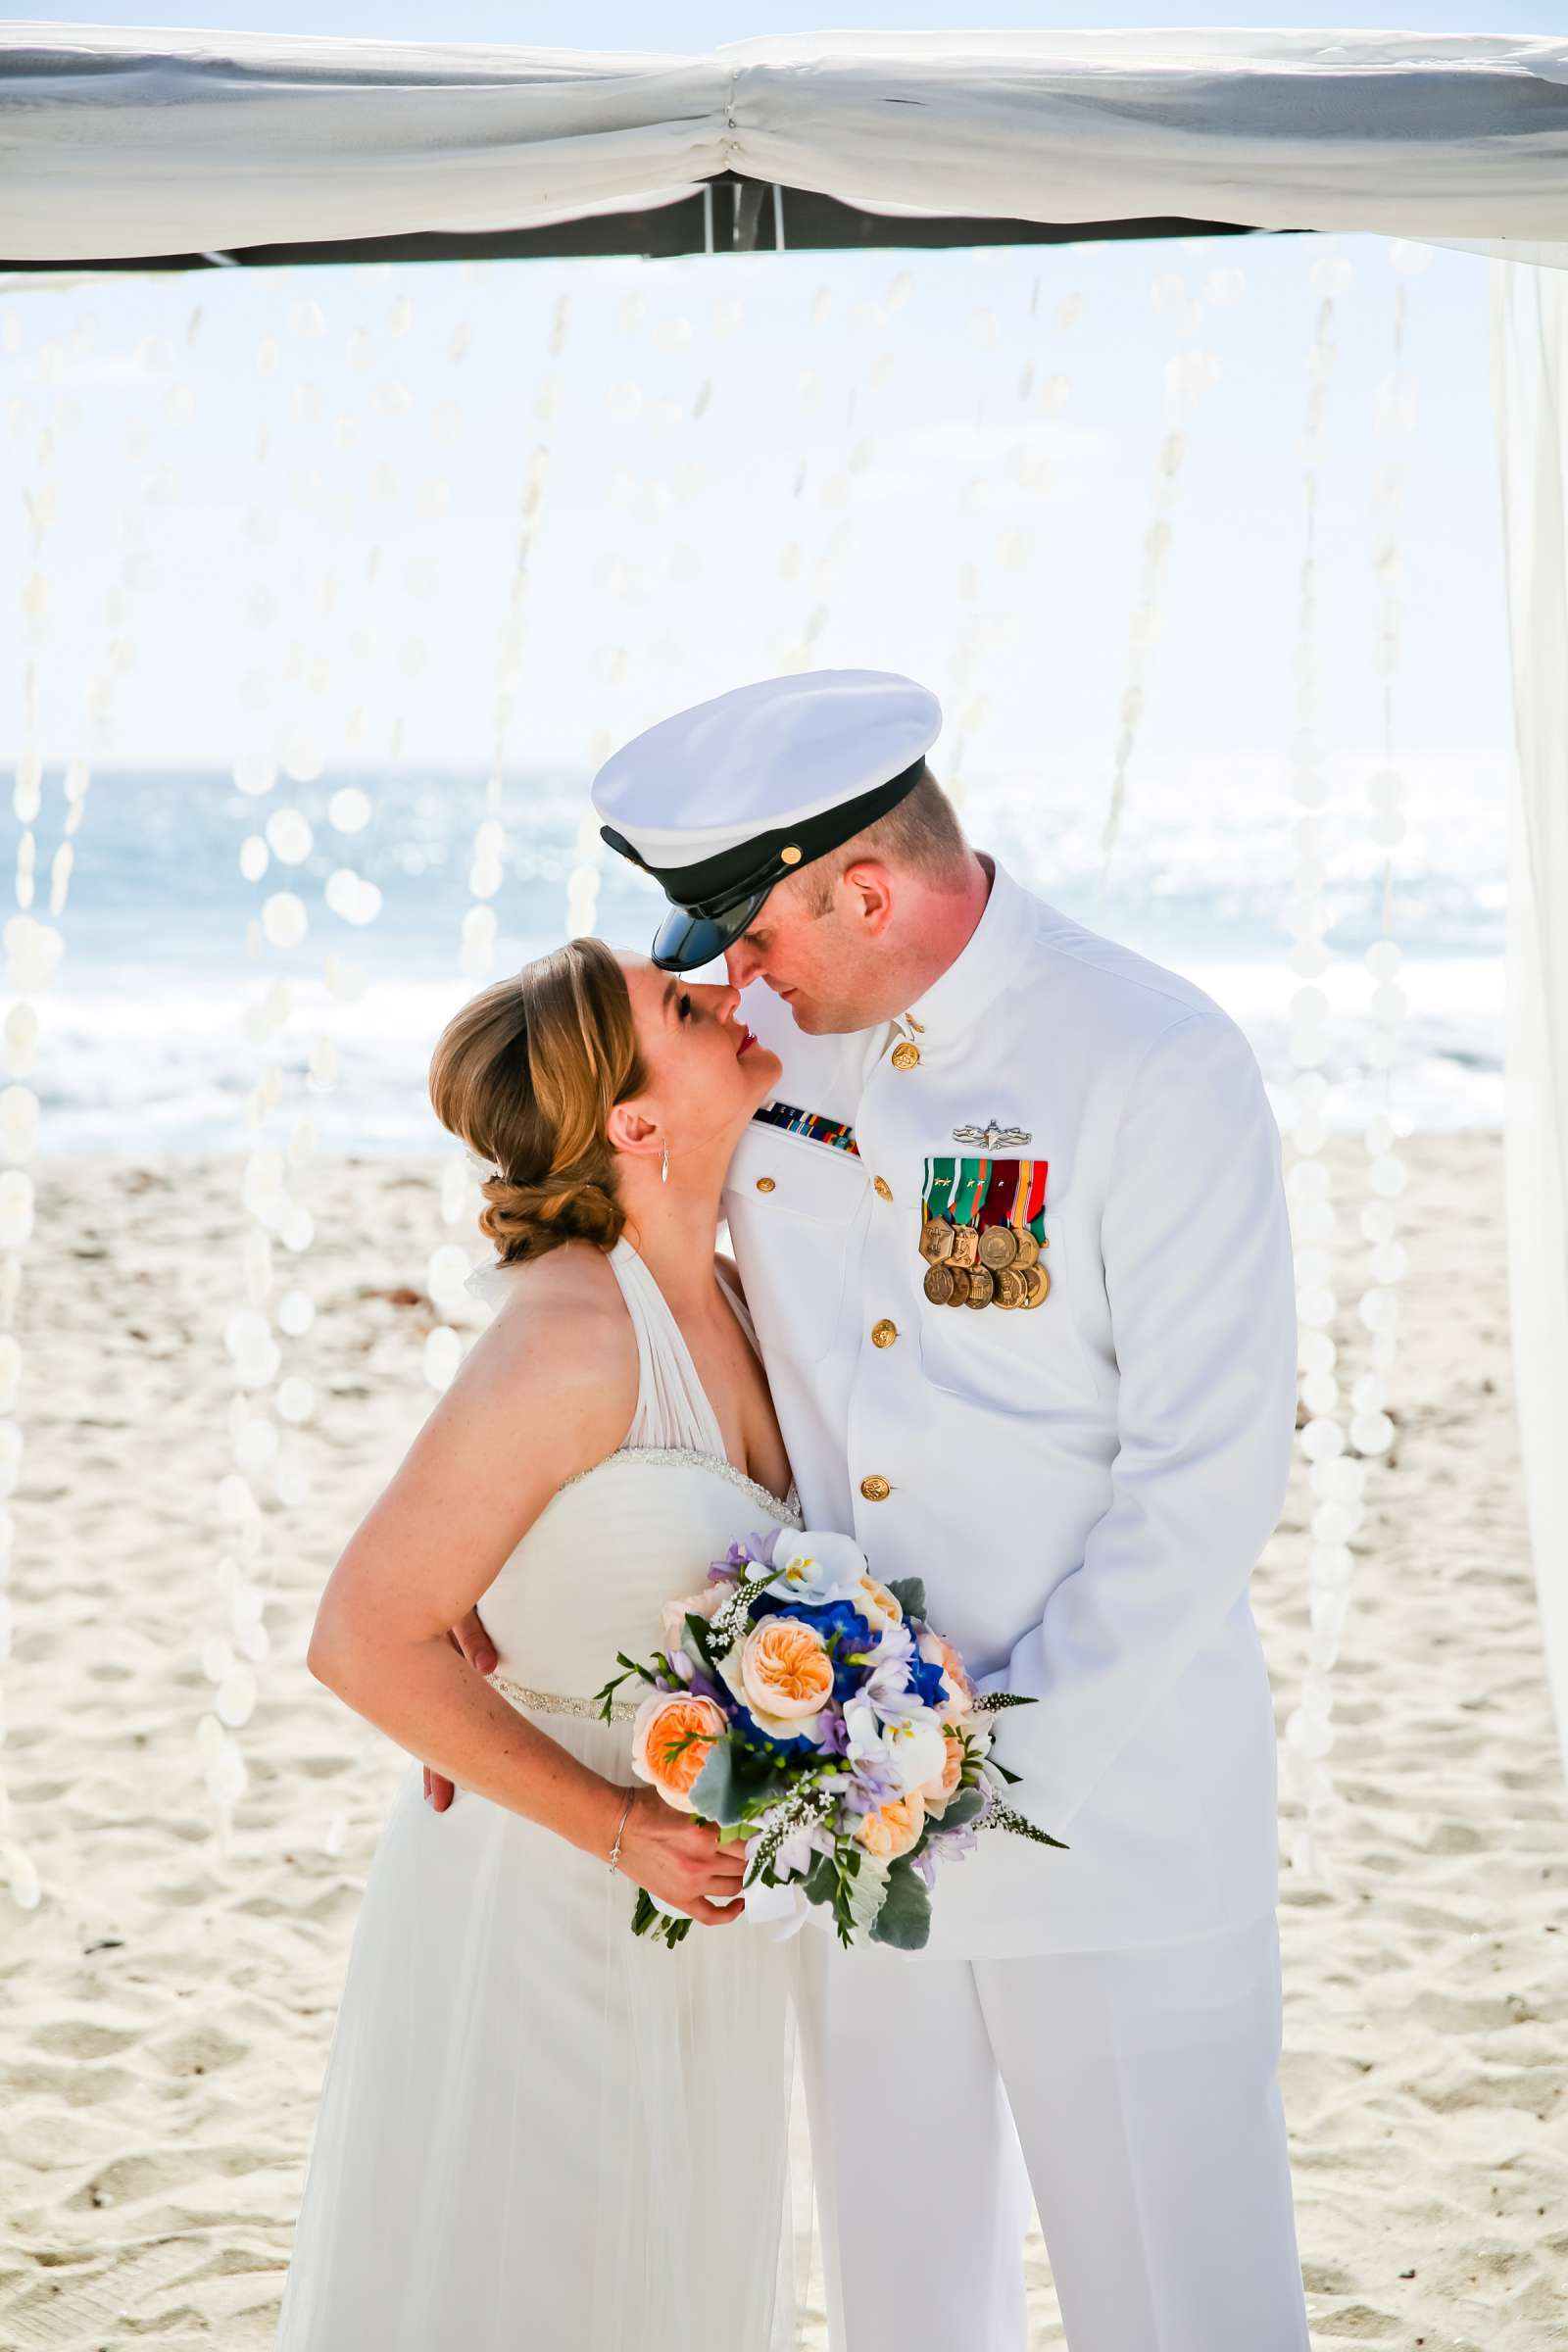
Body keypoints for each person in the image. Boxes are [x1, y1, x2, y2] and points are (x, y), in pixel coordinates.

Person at [435, 666, 1313, 2350]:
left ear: (864, 885)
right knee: (910, 2308)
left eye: (751, 937)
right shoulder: (761, 1063)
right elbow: (609, 1268)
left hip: (1110, 1823)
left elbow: (1204, 1481)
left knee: (1184, 2299)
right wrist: (512, 1574)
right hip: (848, 1841)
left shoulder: (1152, 1059)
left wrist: (993, 1770)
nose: (730, 982)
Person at [274, 934, 806, 2352]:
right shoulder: (574, 1332)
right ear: (636, 1123)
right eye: (693, 1010)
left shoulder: (748, 1291)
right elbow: (361, 1636)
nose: (736, 998)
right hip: (553, 1892)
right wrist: (621, 1828)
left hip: (701, 1904)